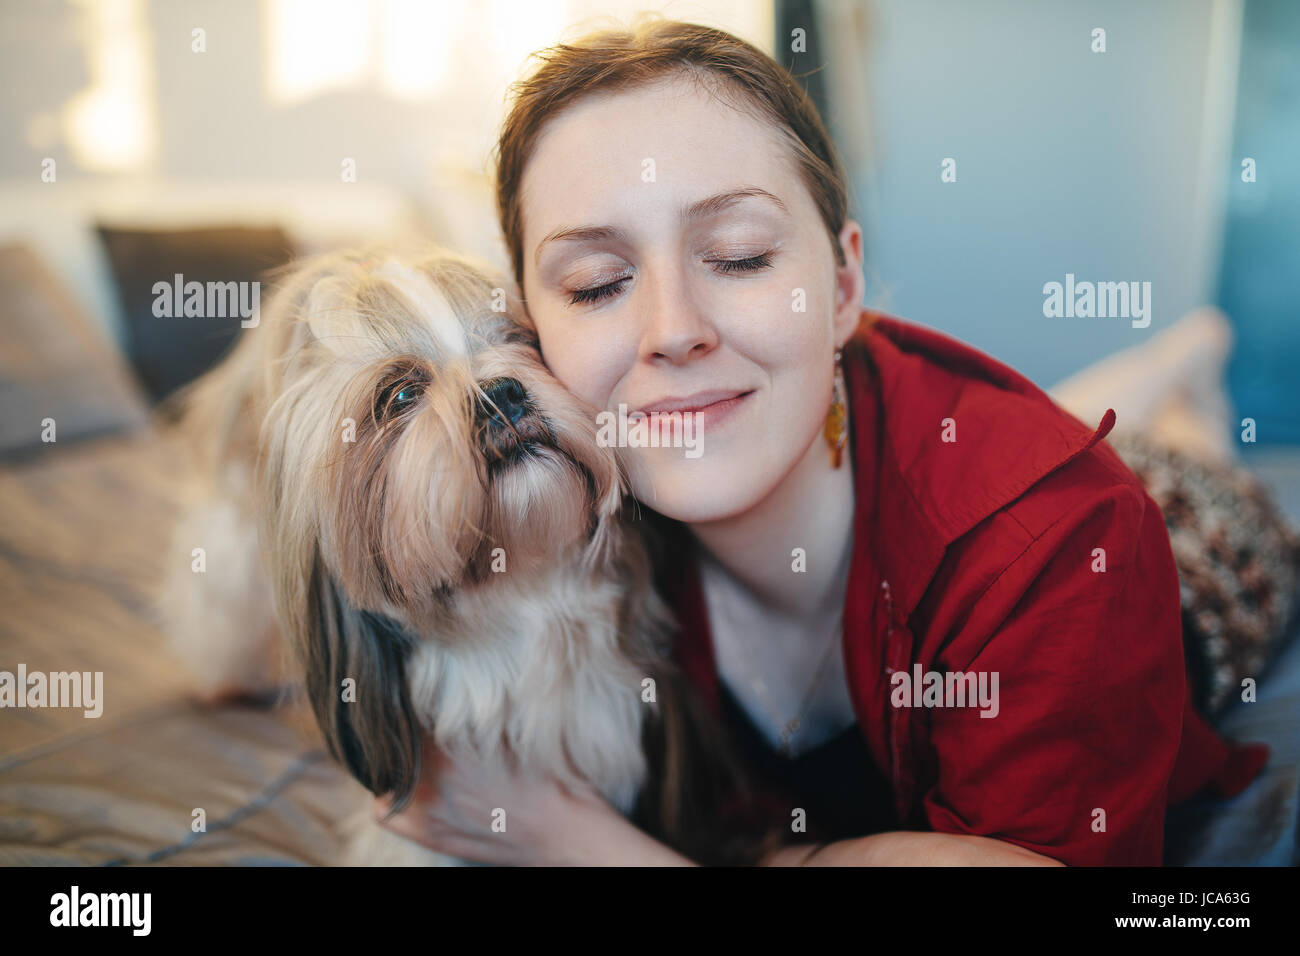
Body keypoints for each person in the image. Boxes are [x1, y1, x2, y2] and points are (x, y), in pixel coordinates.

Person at [375, 17, 1264, 866]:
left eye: (739, 256)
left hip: (1200, 544)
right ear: (532, 331)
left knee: (1182, 464)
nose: (671, 330)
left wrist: (582, 845)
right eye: (597, 284)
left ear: (844, 287)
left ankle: (1187, 376)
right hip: (893, 428)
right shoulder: (560, 490)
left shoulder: (1067, 544)